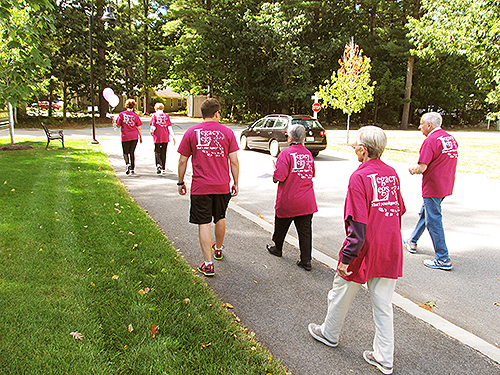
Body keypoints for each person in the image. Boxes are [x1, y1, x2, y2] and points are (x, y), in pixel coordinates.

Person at [308, 126, 405, 375]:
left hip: (363, 247)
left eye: (355, 147)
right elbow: (398, 210)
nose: (355, 151)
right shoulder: (391, 174)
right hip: (390, 245)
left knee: (340, 291)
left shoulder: (359, 177)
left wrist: (348, 256)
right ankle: (384, 357)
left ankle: (329, 333)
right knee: (383, 304)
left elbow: (358, 222)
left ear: (363, 149)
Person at [177, 98, 239, 277]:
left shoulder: (191, 132)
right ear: (217, 113)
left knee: (203, 223)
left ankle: (208, 263)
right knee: (220, 217)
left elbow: (182, 160)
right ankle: (218, 249)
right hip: (221, 186)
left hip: (201, 187)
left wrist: (181, 182)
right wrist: (235, 182)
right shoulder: (227, 132)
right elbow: (234, 161)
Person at [406, 112, 458, 271]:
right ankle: (412, 240)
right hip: (445, 184)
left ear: (429, 125)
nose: (419, 127)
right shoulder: (449, 138)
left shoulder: (430, 141)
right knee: (426, 213)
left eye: (421, 123)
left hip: (433, 186)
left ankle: (442, 258)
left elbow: (422, 168)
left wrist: (412, 169)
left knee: (433, 220)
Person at [266, 124, 317, 271]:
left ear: (290, 138)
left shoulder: (286, 154)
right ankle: (306, 260)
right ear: (303, 138)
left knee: (281, 226)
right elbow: (311, 173)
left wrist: (275, 173)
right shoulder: (308, 154)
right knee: (305, 232)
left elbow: (280, 176)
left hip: (289, 199)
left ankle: (278, 248)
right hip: (307, 200)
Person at [115, 99, 142, 175]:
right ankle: (133, 168)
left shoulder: (121, 114)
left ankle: (127, 164)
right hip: (134, 136)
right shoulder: (135, 116)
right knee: (132, 152)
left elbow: (118, 125)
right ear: (133, 106)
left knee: (125, 152)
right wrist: (140, 136)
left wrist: (114, 122)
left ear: (126, 105)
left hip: (125, 135)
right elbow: (138, 127)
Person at [150, 102, 176, 174]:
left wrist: (151, 131)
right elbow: (169, 127)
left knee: (157, 151)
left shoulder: (154, 115)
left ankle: (158, 164)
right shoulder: (166, 116)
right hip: (165, 136)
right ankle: (163, 167)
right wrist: (173, 137)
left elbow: (153, 126)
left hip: (157, 136)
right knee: (164, 152)